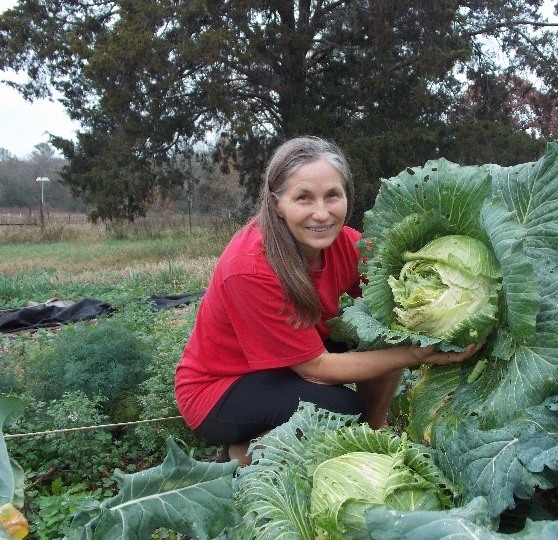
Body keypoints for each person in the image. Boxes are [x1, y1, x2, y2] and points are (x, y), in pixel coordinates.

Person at [174, 136, 481, 465]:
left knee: (381, 335)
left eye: (332, 196)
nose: (321, 214)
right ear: (276, 202)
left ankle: (374, 435)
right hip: (221, 390)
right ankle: (241, 454)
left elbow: (397, 292)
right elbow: (315, 369)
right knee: (343, 411)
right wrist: (413, 353)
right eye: (303, 198)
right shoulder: (250, 268)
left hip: (285, 362)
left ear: (347, 195)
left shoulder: (345, 244)